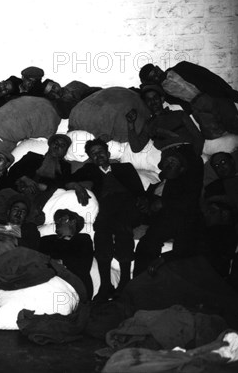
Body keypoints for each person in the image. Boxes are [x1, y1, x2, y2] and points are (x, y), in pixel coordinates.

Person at [66, 139, 145, 301]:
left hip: (128, 206)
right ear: (90, 158)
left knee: (117, 222)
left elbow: (139, 192)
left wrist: (143, 203)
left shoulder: (125, 168)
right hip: (107, 212)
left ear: (108, 154)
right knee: (102, 232)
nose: (98, 155)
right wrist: (77, 186)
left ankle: (124, 281)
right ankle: (105, 285)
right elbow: (66, 181)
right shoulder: (89, 170)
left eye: (100, 151)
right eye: (93, 154)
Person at [133, 146, 204, 276]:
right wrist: (145, 204)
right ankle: (138, 286)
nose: (168, 164)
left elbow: (190, 200)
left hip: (181, 218)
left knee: (183, 245)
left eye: (173, 162)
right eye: (166, 162)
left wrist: (164, 203)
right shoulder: (155, 185)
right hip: (159, 221)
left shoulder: (187, 181)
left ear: (182, 169)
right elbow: (148, 208)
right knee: (146, 244)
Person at [139, 62, 238, 138]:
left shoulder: (182, 66)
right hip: (200, 107)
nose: (157, 76)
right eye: (152, 77)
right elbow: (143, 92)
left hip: (216, 96)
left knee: (237, 125)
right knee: (213, 136)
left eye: (156, 72)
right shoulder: (164, 92)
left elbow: (208, 75)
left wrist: (228, 90)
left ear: (158, 67)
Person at [126, 84, 205, 157]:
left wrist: (194, 156)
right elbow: (136, 148)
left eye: (155, 98)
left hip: (188, 153)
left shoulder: (179, 114)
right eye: (148, 100)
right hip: (168, 159)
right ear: (145, 103)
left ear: (162, 99)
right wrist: (130, 124)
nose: (153, 102)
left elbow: (198, 137)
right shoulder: (148, 125)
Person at [39, 209, 94, 300]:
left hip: (76, 283)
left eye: (62, 219)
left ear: (73, 222)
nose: (57, 221)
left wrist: (58, 262)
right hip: (49, 280)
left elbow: (83, 265)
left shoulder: (83, 239)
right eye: (56, 220)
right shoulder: (46, 240)